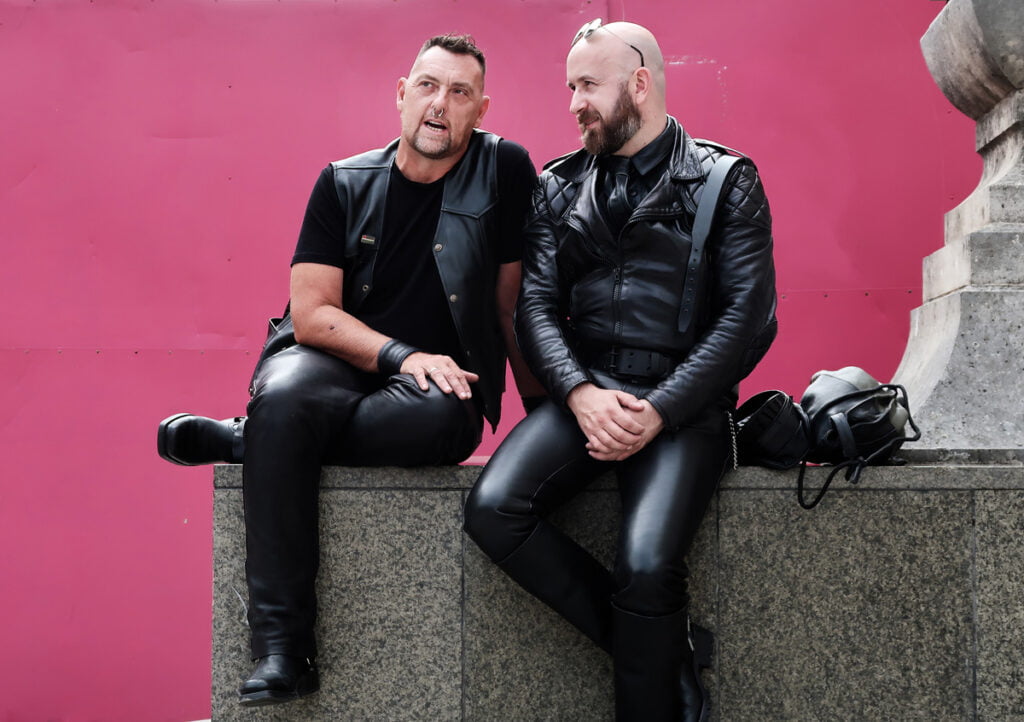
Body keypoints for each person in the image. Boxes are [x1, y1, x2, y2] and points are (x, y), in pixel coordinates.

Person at [157, 34, 542, 707]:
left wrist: (547, 418)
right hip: (335, 362)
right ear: (400, 95)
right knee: (283, 397)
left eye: (458, 93)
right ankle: (283, 651)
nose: (439, 105)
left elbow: (509, 307)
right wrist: (401, 353)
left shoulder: (505, 168)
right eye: (427, 86)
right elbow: (311, 316)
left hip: (440, 386)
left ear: (480, 110)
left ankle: (256, 442)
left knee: (425, 423)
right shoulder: (343, 181)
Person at [463, 20, 776, 722]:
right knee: (492, 511)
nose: (574, 102)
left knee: (645, 569)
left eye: (588, 86)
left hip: (687, 406)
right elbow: (535, 308)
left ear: (639, 84)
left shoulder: (728, 180)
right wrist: (578, 394)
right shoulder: (556, 185)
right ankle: (663, 652)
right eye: (569, 86)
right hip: (587, 389)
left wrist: (661, 409)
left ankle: (652, 673)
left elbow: (749, 320)